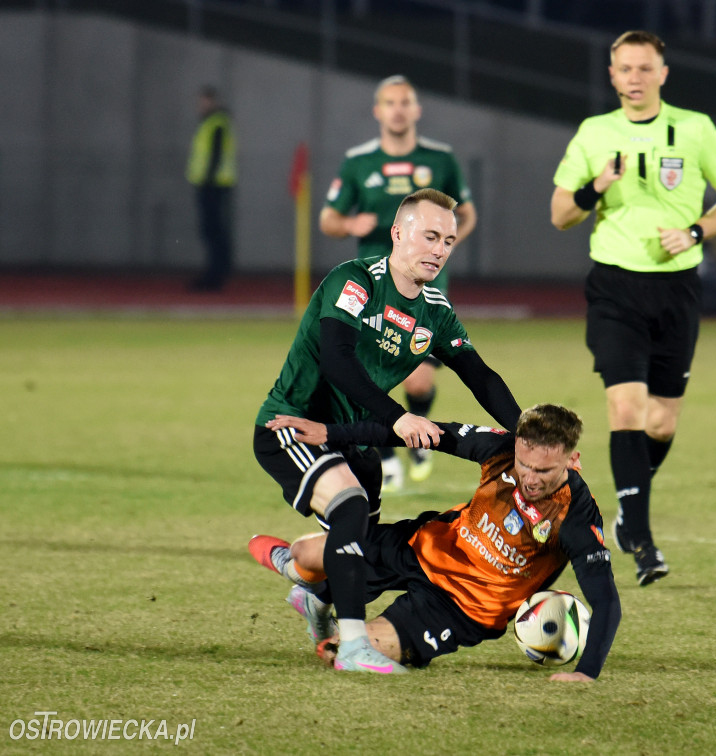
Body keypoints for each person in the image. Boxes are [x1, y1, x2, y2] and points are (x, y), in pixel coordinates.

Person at [253, 188, 520, 674]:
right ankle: (353, 646)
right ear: (398, 234)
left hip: (353, 442)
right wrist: (398, 417)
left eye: (450, 241)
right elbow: (338, 359)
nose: (440, 250)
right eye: (431, 236)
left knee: (363, 543)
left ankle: (313, 591)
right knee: (351, 508)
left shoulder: (435, 310)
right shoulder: (355, 281)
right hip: (292, 426)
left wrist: (527, 435)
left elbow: (481, 376)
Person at [550, 30, 716, 587]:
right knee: (627, 411)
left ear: (663, 73)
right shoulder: (595, 134)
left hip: (677, 291)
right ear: (611, 76)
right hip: (615, 287)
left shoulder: (695, 129)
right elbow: (561, 212)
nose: (634, 78)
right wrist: (595, 188)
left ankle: (627, 510)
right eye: (625, 69)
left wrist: (696, 230)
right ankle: (641, 541)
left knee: (661, 422)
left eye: (645, 68)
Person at [250, 404, 621, 681]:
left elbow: (605, 601)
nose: (530, 478)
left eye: (544, 470)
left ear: (573, 460)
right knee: (308, 552)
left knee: (340, 652)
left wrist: (586, 673)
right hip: (425, 546)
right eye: (525, 465)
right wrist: (331, 433)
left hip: (461, 608)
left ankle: (320, 597)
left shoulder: (575, 516)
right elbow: (420, 432)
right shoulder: (500, 448)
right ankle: (306, 584)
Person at [320, 75, 478, 490]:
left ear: (417, 109)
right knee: (370, 376)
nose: (398, 109)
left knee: (419, 378)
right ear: (378, 110)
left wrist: (443, 245)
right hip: (373, 289)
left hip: (425, 288)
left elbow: (467, 213)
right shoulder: (358, 162)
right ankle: (387, 453)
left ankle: (417, 440)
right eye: (390, 102)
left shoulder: (440, 159)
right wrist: (352, 222)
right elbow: (328, 218)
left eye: (405, 102)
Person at [185, 85, 236, 291]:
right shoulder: (213, 122)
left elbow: (215, 156)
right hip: (212, 184)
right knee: (212, 231)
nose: (201, 105)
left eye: (204, 101)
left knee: (213, 231)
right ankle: (215, 273)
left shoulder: (216, 123)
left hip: (213, 185)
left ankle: (215, 276)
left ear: (212, 101)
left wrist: (206, 180)